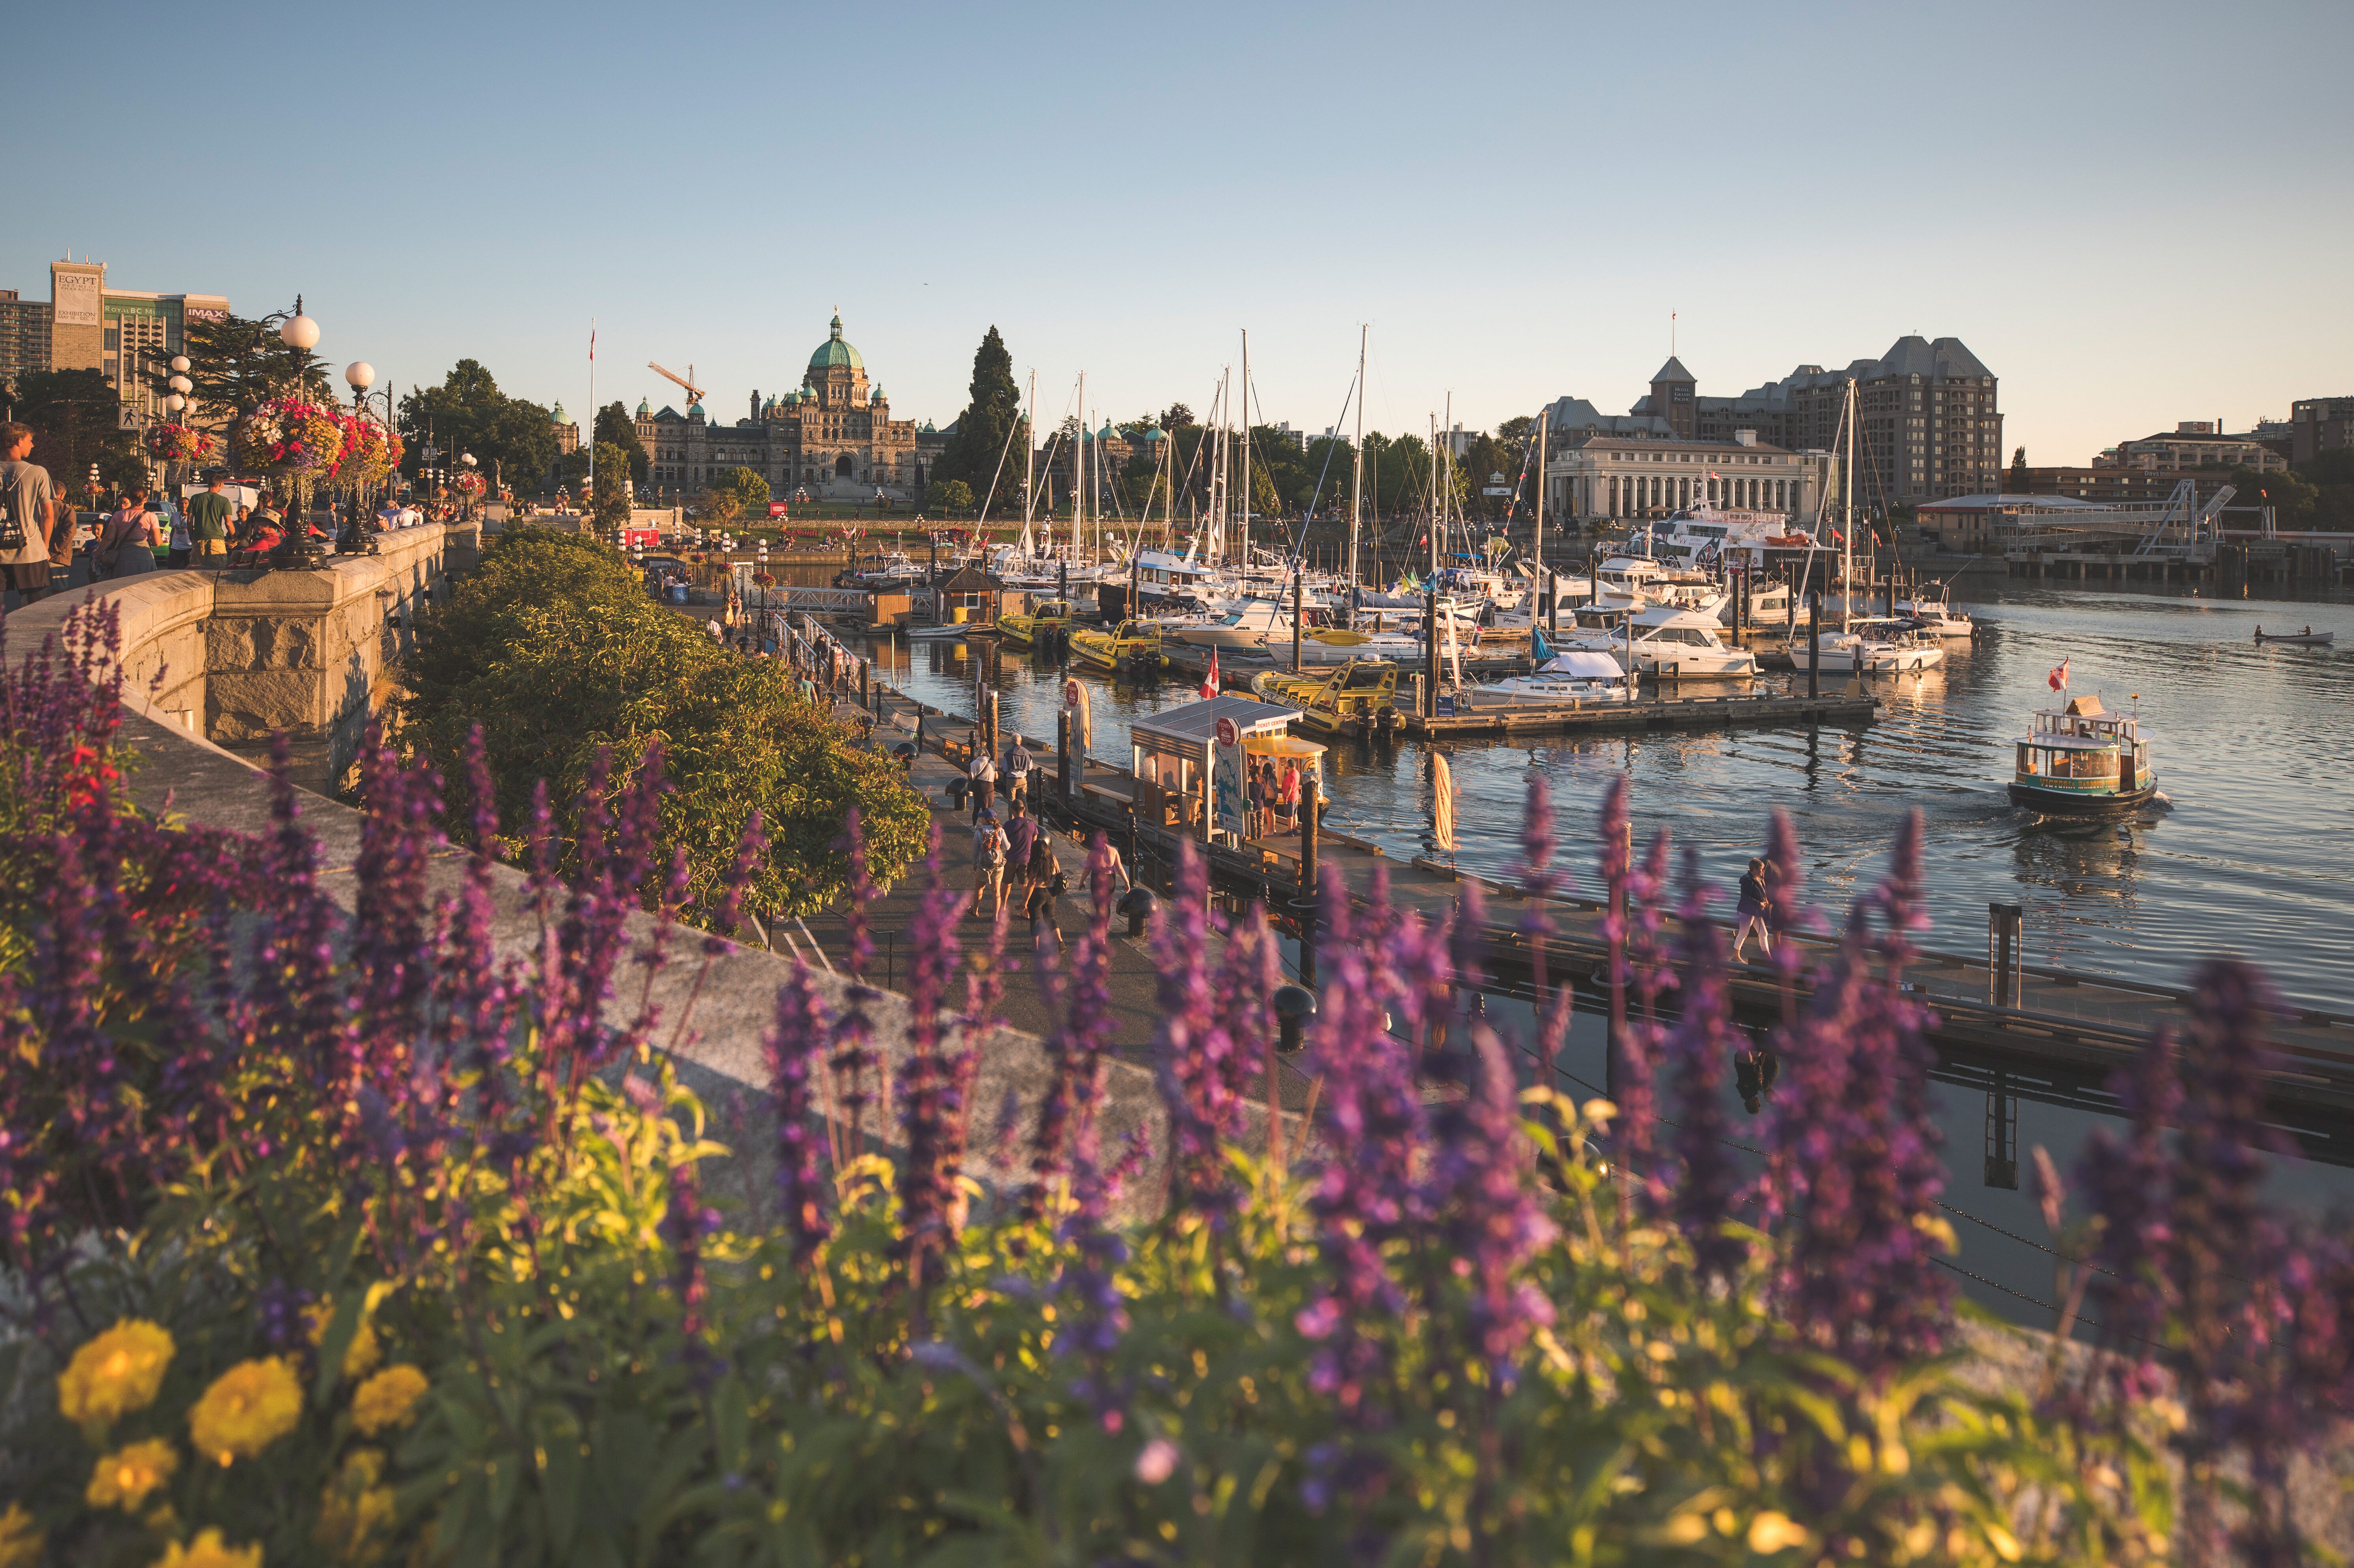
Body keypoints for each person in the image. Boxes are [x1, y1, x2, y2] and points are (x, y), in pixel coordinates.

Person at [0, 422, 58, 605]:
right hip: (29, 550)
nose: (32, 445)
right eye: (30, 441)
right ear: (19, 441)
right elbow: (48, 514)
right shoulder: (36, 472)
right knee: (36, 607)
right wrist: (46, 546)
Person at [94, 490, 162, 578]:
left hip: (123, 555)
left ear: (130, 498)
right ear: (146, 499)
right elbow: (157, 542)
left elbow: (108, 538)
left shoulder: (118, 515)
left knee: (122, 583)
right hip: (143, 555)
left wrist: (97, 556)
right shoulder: (150, 516)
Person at [185, 476, 234, 565]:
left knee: (196, 569)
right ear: (221, 484)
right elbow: (228, 523)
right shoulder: (224, 501)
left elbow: (189, 521)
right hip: (216, 539)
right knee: (218, 569)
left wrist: (192, 537)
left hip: (199, 538)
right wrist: (235, 537)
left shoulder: (195, 498)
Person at [1732, 857, 1773, 963]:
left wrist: (1765, 901)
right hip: (1747, 911)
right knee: (1744, 933)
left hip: (1756, 911)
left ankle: (1769, 958)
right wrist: (1759, 903)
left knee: (1764, 933)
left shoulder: (1759, 878)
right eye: (1761, 869)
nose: (1763, 871)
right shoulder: (1748, 881)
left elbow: (1762, 893)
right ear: (1754, 869)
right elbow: (1746, 898)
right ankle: (1736, 956)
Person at [970, 808, 1010, 917]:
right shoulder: (1000, 831)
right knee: (997, 891)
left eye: (982, 817)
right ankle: (996, 916)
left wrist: (974, 864)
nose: (981, 819)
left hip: (983, 866)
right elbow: (1007, 847)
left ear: (986, 819)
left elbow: (975, 851)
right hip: (998, 866)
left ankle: (975, 911)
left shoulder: (979, 833)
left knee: (979, 888)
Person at [1023, 836, 1061, 949]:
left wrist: (1025, 901)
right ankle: (1060, 940)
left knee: (1035, 920)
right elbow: (1059, 873)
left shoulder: (1034, 863)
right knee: (1050, 918)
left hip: (1037, 895)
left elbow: (1032, 884)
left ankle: (1035, 946)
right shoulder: (1053, 859)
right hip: (1051, 893)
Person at [1003, 732, 1033, 808]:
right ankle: (1025, 819)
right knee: (1024, 802)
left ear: (1012, 742)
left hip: (1011, 780)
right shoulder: (1027, 753)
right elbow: (1030, 768)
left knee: (1011, 803)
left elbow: (1005, 769)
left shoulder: (1008, 754)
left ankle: (1012, 820)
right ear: (1021, 741)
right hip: (1023, 780)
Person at [968, 746, 998, 823]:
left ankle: (974, 825)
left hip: (979, 786)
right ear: (987, 754)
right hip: (989, 787)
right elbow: (996, 777)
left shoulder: (974, 763)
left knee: (977, 807)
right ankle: (988, 824)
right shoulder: (992, 763)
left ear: (978, 754)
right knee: (986, 808)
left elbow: (970, 776)